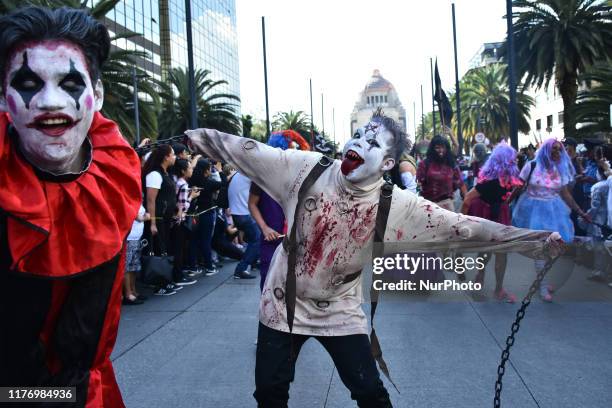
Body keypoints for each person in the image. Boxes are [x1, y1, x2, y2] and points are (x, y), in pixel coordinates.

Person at [186, 110, 562, 408]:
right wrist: (201, 138)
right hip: (281, 306)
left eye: (374, 143)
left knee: (371, 395)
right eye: (360, 135)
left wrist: (533, 242)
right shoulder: (304, 169)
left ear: (386, 164)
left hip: (339, 311)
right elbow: (249, 151)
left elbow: (462, 228)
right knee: (269, 394)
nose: (360, 143)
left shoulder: (395, 204)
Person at [0, 7, 142, 406]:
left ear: (96, 95)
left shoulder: (114, 178)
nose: (50, 101)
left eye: (69, 83)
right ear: (2, 98)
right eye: (28, 83)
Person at [512, 138, 589, 301]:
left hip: (555, 211)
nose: (557, 152)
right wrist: (504, 202)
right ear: (546, 150)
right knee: (542, 250)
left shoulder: (559, 168)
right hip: (534, 211)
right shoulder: (532, 165)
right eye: (553, 149)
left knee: (557, 249)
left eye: (559, 149)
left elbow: (565, 193)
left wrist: (580, 211)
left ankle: (543, 280)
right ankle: (542, 285)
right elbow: (518, 187)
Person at [461, 143, 523, 302]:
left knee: (500, 253)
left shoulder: (507, 177)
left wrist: (505, 201)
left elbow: (516, 188)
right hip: (488, 217)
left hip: (499, 215)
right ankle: (482, 278)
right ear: (503, 160)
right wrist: (460, 221)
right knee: (488, 251)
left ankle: (495, 287)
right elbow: (467, 198)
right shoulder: (489, 180)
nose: (514, 161)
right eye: (511, 159)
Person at [249, 130, 310, 291]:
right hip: (271, 239)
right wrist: (264, 228)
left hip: (295, 239)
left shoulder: (299, 174)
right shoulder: (261, 175)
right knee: (268, 282)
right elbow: (252, 203)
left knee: (294, 285)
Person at [187, 158, 222, 276]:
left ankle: (193, 266)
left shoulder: (190, 180)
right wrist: (219, 171)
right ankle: (209, 266)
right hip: (207, 212)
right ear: (206, 170)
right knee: (206, 240)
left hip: (193, 214)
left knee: (193, 240)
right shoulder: (209, 182)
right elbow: (223, 183)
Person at [416, 134, 467, 211]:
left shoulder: (451, 164)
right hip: (428, 206)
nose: (441, 150)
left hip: (447, 206)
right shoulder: (424, 164)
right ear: (432, 149)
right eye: (437, 147)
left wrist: (467, 201)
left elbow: (460, 183)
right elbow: (418, 184)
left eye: (443, 147)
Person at [172, 158, 201, 279]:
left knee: (177, 248)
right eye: (189, 168)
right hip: (180, 220)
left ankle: (178, 273)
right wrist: (192, 196)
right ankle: (178, 276)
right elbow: (184, 206)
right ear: (183, 171)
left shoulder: (177, 181)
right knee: (179, 249)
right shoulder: (183, 184)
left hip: (174, 220)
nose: (192, 170)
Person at [229, 170, 259, 279]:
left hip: (238, 214)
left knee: (254, 239)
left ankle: (254, 262)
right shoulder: (251, 173)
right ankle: (241, 269)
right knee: (257, 239)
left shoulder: (240, 173)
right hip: (243, 214)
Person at [124, 204, 151, 305]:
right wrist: (145, 217)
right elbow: (138, 217)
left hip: (137, 237)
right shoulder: (128, 200)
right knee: (127, 266)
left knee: (134, 266)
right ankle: (128, 294)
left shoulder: (138, 200)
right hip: (129, 238)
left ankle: (133, 290)